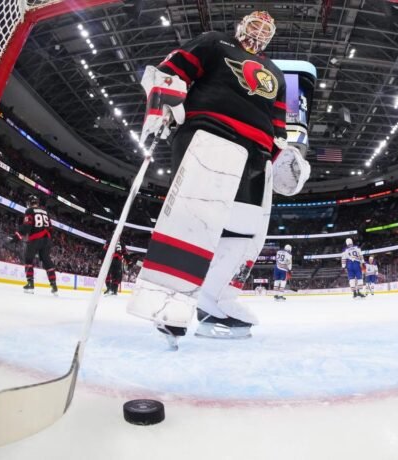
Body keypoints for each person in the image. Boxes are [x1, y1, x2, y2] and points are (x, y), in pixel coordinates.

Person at [126, 11, 311, 348]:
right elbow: (172, 70)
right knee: (196, 217)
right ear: (240, 25)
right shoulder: (215, 42)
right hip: (210, 133)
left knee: (245, 230)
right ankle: (169, 301)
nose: (259, 32)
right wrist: (162, 101)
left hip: (257, 152)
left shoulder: (277, 75)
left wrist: (284, 157)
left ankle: (215, 301)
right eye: (254, 24)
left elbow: (279, 128)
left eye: (266, 29)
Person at [12, 195, 57, 295]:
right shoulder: (45, 212)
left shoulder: (29, 211)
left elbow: (27, 227)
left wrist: (17, 236)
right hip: (47, 239)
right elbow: (51, 228)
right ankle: (54, 285)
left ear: (29, 202)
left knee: (28, 259)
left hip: (35, 239)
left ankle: (30, 283)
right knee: (47, 260)